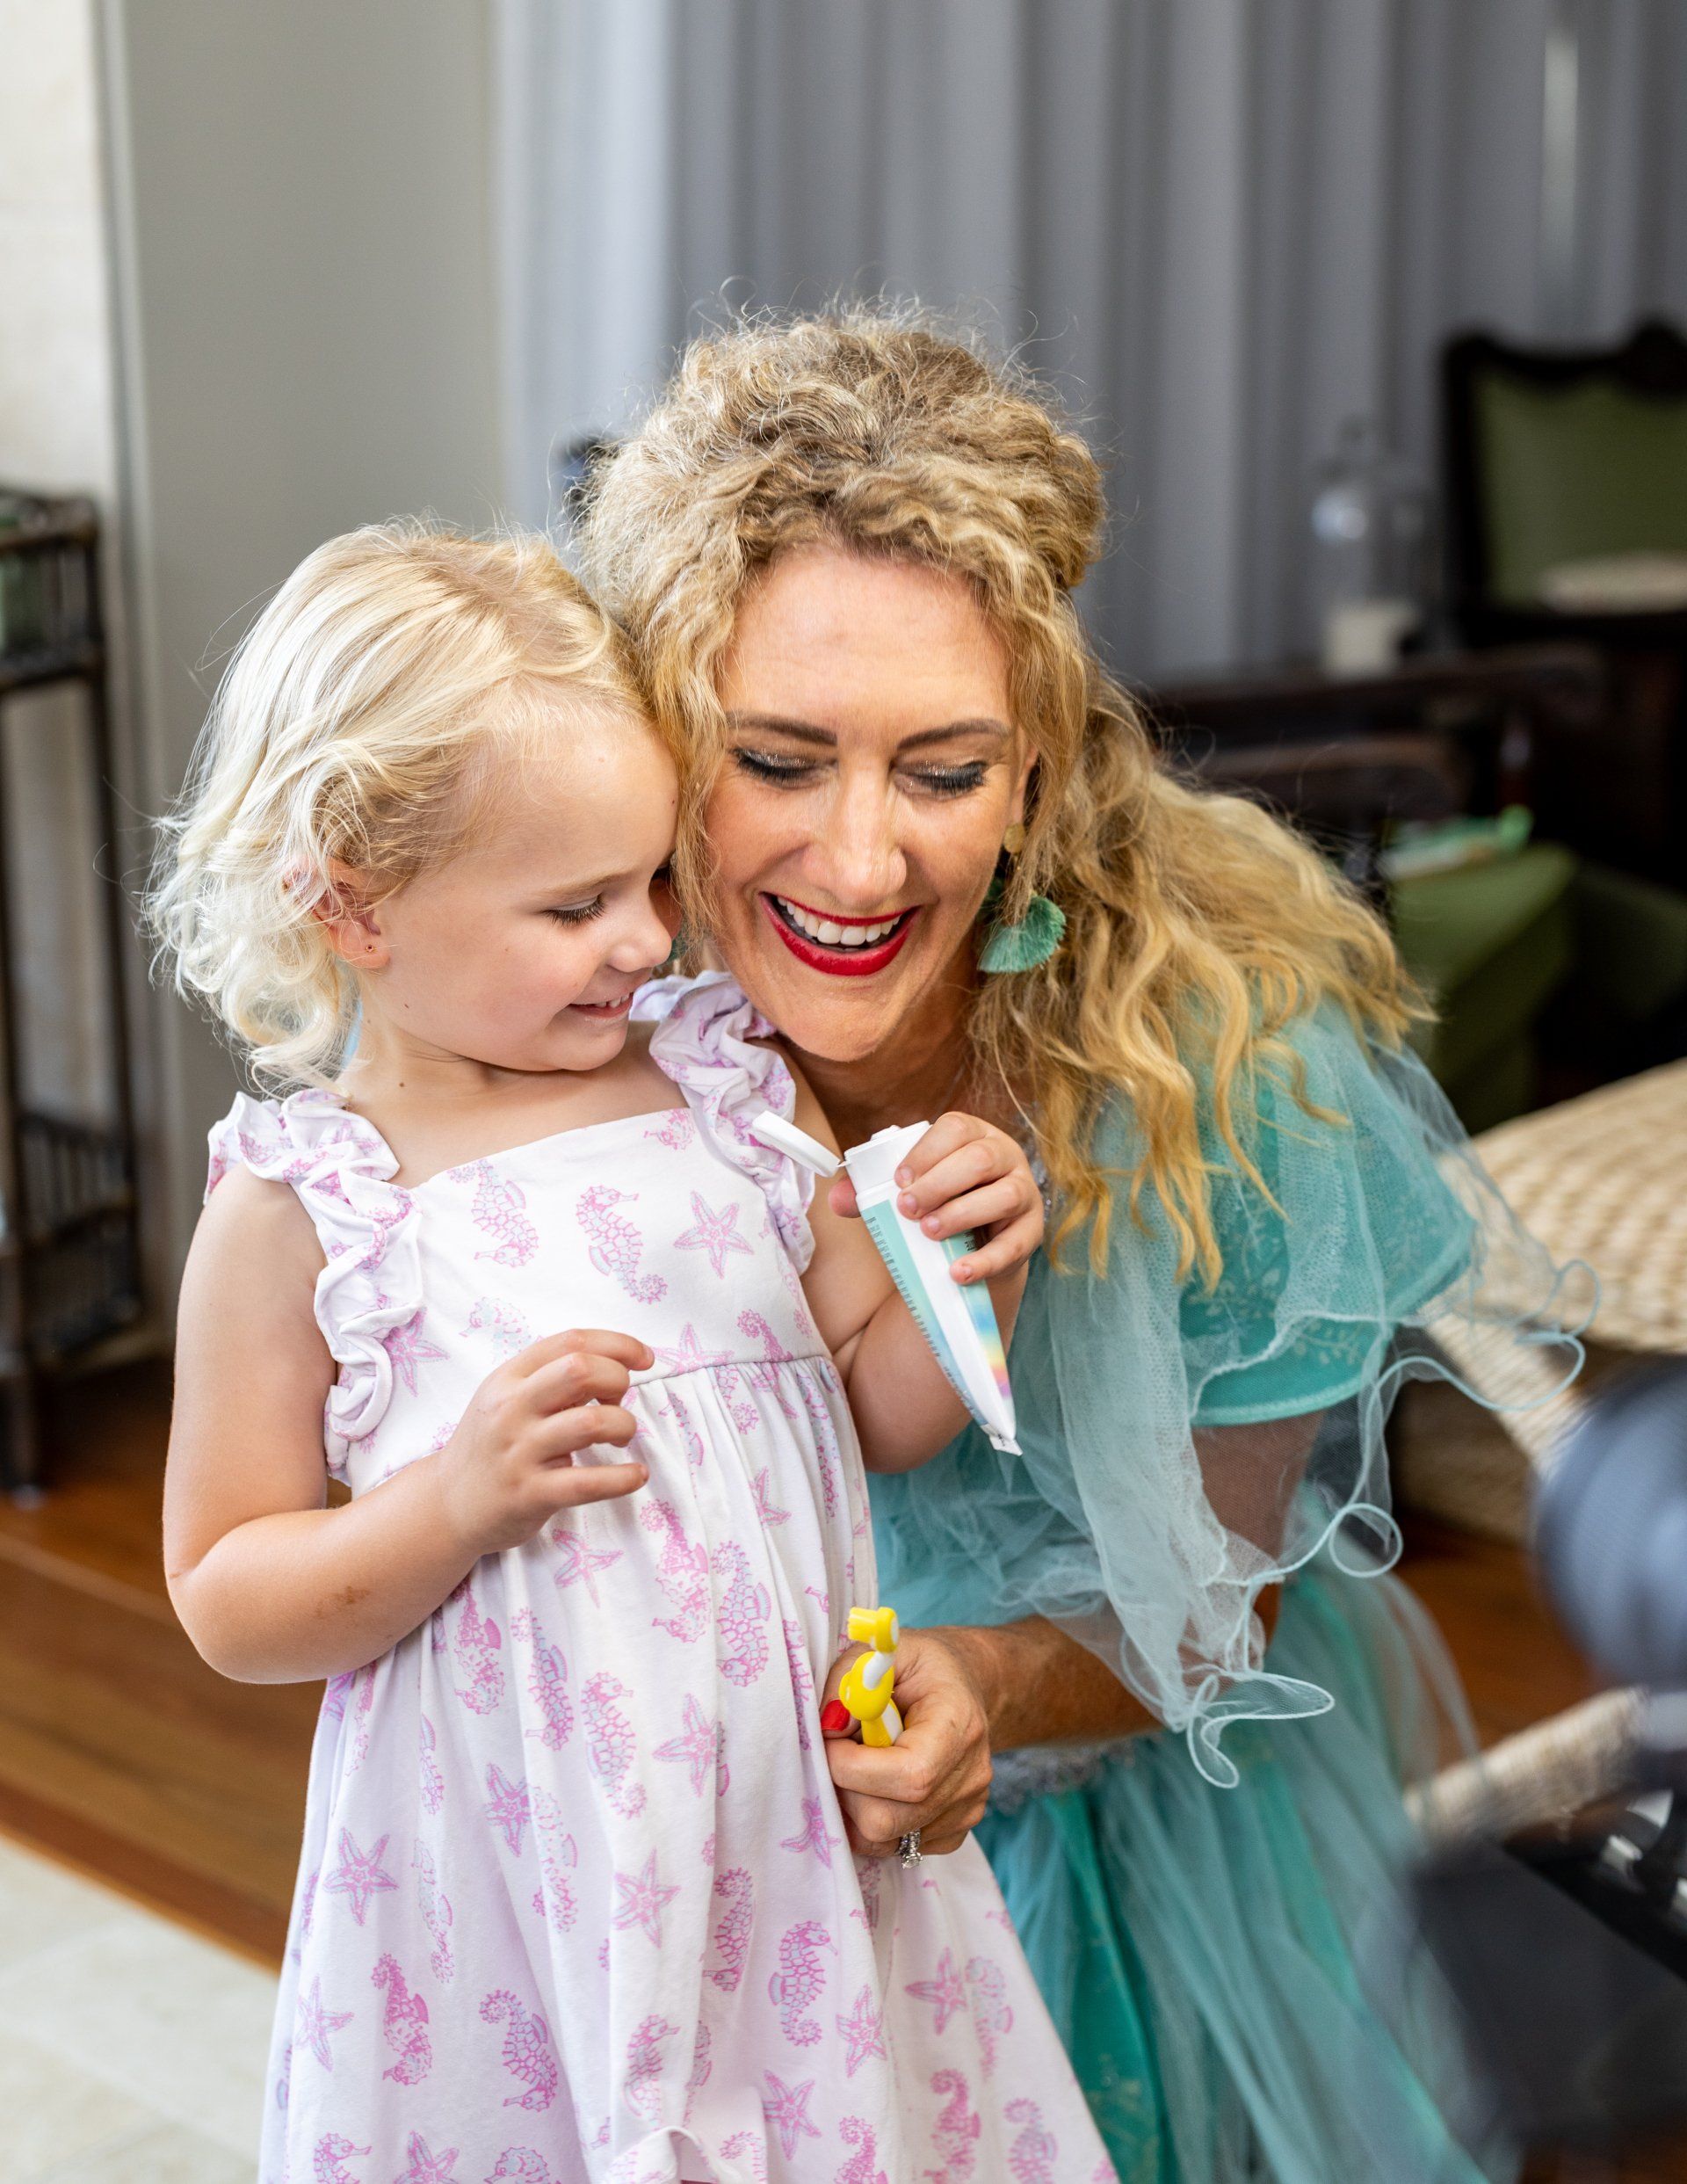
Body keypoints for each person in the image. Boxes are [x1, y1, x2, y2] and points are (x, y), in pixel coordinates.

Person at [577, 308, 1584, 2183]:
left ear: (1037, 766)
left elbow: (1234, 1594)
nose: (862, 866)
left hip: (1146, 1805)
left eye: (943, 773)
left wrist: (991, 1683)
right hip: (705, 1814)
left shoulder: (1228, 1063)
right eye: (779, 761)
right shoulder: (577, 1019)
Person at [150, 524, 1119, 2183]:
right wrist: (451, 1500)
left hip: (791, 1840)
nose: (644, 939)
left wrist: (967, 1268)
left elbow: (875, 1414)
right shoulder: (311, 1207)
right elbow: (228, 1593)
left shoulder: (726, 1084)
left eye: (655, 880)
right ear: (352, 901)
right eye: (574, 902)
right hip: (522, 1878)